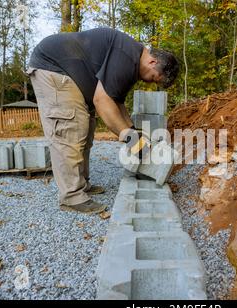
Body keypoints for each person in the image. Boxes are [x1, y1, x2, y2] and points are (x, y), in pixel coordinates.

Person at [27, 27, 179, 213]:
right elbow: (102, 100)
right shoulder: (127, 56)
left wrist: (133, 129)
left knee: (86, 130)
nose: (150, 82)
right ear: (153, 61)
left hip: (70, 75)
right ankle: (72, 196)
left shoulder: (131, 61)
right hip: (53, 68)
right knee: (71, 130)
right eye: (154, 78)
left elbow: (117, 102)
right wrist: (128, 137)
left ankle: (81, 184)